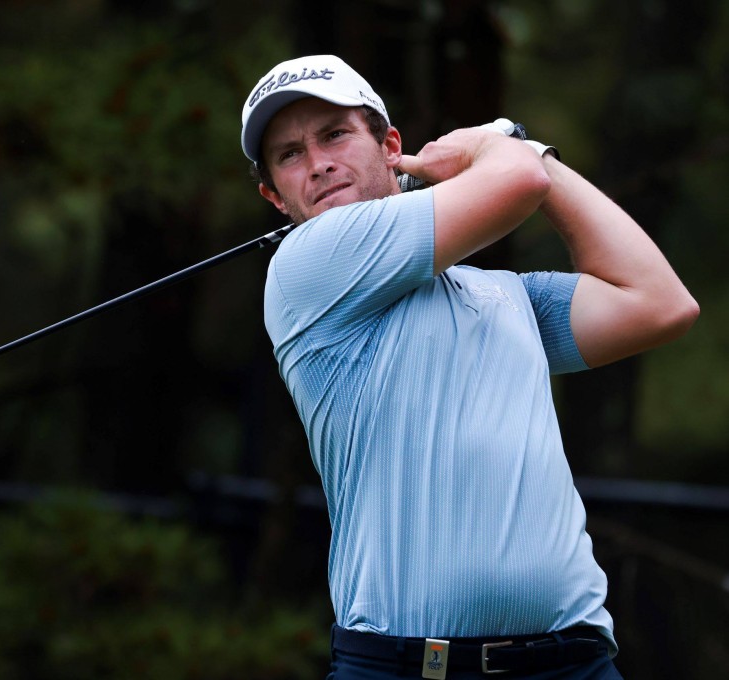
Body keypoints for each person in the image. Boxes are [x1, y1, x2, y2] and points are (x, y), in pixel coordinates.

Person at [241, 55, 698, 679]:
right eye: (289, 154)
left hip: (573, 662)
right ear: (274, 195)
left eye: (336, 134)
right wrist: (499, 144)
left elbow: (659, 304)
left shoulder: (506, 295)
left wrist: (531, 158)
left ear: (390, 146)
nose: (318, 162)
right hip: (405, 668)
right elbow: (516, 184)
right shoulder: (306, 269)